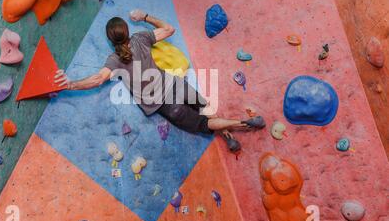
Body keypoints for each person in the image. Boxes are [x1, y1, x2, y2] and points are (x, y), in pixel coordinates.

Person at [55, 10, 264, 151]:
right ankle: (231, 134)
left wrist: (70, 84)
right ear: (128, 31)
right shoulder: (140, 38)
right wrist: (144, 16)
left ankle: (237, 126)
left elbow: (97, 80)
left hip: (165, 106)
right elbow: (169, 29)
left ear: (111, 41)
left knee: (204, 123)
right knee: (205, 107)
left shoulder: (114, 60)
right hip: (174, 85)